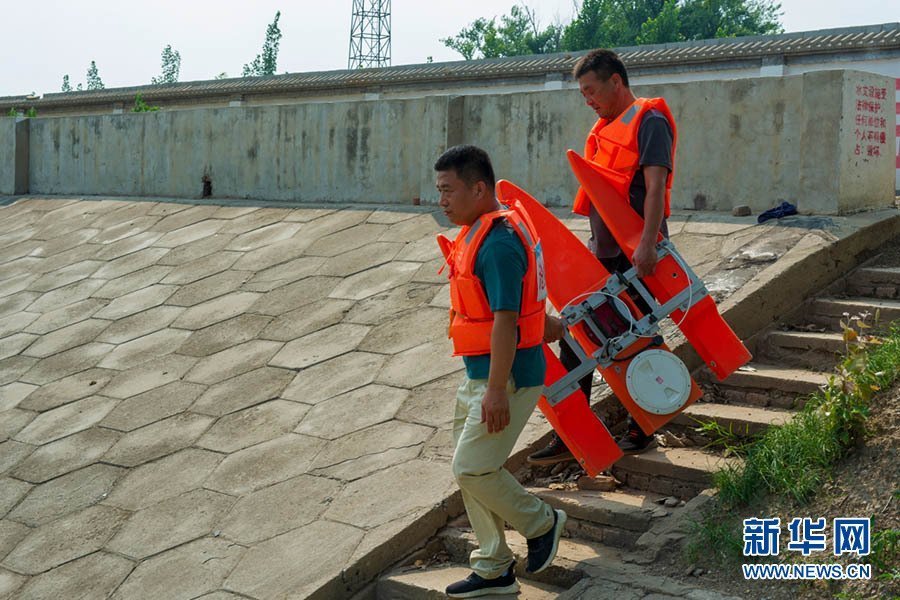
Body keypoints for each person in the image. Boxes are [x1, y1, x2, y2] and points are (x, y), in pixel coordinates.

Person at [528, 48, 677, 466]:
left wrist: (647, 243)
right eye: (583, 95)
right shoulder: (604, 129)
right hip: (602, 253)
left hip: (637, 253)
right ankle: (573, 431)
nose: (588, 100)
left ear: (616, 81)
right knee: (579, 337)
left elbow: (653, 187)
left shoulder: (649, 120)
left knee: (639, 335)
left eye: (592, 91)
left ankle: (646, 423)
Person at [435, 145, 567, 598]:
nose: (442, 200)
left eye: (449, 190)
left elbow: (508, 322)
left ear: (479, 188)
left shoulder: (498, 243)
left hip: (505, 377)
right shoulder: (483, 231)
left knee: (472, 467)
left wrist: (495, 391)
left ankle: (542, 522)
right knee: (471, 469)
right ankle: (494, 567)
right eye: (439, 191)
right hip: (480, 374)